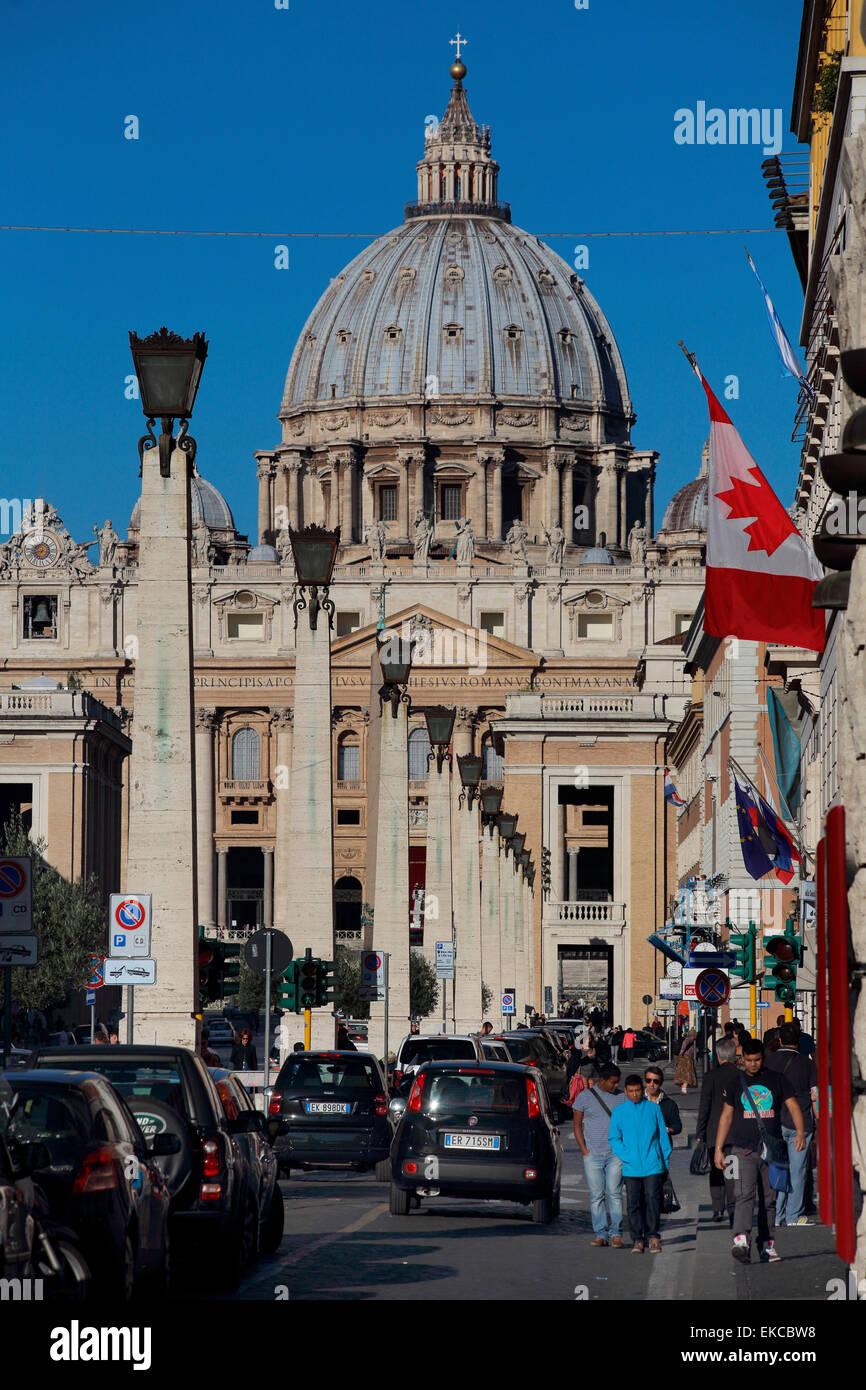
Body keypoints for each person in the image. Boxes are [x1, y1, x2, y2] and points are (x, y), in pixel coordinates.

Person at [714, 1036, 806, 1264]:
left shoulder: (777, 1079)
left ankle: (767, 1245)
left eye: (756, 1060)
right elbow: (726, 1116)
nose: (752, 1064)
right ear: (741, 1059)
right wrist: (718, 1148)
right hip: (742, 1148)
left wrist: (801, 1132)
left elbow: (793, 1106)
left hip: (772, 1149)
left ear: (763, 1059)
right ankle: (741, 1240)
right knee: (743, 1195)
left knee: (770, 1199)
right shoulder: (735, 1082)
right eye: (748, 1060)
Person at [608, 1073, 672, 1253]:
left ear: (642, 1090)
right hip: (631, 1166)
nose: (635, 1094)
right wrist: (626, 1155)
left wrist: (665, 1160)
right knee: (633, 1203)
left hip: (652, 1163)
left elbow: (662, 1137)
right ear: (626, 1092)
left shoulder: (653, 1109)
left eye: (637, 1090)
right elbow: (614, 1138)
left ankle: (652, 1236)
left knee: (652, 1199)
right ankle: (637, 1238)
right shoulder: (619, 1112)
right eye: (631, 1091)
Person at [765, 1021, 818, 1227]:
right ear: (799, 1041)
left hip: (774, 1121)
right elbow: (815, 1096)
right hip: (801, 1123)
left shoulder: (769, 1061)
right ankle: (794, 1215)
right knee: (798, 1171)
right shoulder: (807, 1063)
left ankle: (776, 1216)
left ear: (779, 1040)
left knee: (777, 1168)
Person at [572, 1062, 627, 1248]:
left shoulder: (622, 1097)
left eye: (617, 1082)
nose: (616, 1086)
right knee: (596, 1196)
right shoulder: (584, 1097)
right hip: (593, 1154)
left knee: (615, 1193)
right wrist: (584, 1150)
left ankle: (616, 1233)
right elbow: (577, 1124)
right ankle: (600, 1233)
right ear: (602, 1080)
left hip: (615, 1154)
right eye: (613, 1082)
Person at [695, 1036, 739, 1223]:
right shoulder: (741, 1075)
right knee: (732, 1172)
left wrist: (700, 1132)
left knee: (716, 1171)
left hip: (714, 1131)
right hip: (736, 1131)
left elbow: (705, 1105)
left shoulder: (711, 1076)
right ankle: (733, 1208)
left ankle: (717, 1209)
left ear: (719, 1057)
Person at [643, 1067, 682, 1141]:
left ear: (661, 1083)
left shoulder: (670, 1104)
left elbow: (677, 1126)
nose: (652, 1084)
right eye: (648, 1080)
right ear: (645, 1081)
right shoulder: (638, 1101)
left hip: (661, 1147)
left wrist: (669, 1130)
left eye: (656, 1081)